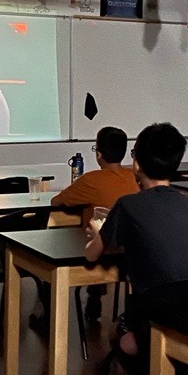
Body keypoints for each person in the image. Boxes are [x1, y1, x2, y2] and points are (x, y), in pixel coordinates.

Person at [85, 122, 188, 355]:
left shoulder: (128, 205)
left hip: (149, 321)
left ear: (136, 163)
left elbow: (91, 254)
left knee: (114, 330)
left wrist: (100, 234)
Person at [48, 126, 139, 322]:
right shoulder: (134, 178)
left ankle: (49, 313)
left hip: (99, 250)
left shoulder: (91, 180)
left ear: (99, 153)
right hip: (131, 252)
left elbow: (57, 202)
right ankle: (95, 296)